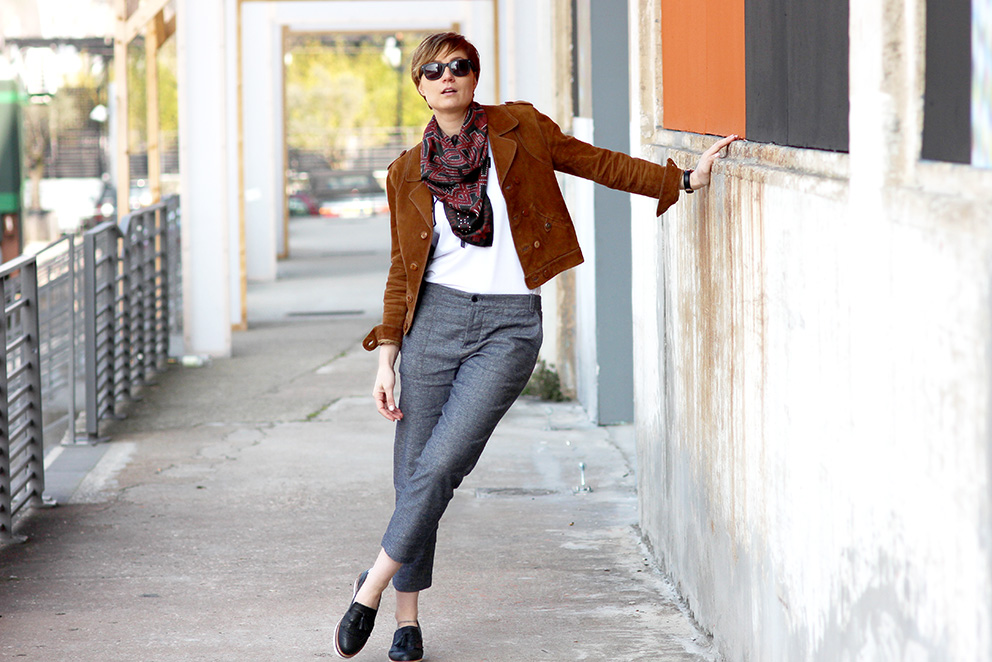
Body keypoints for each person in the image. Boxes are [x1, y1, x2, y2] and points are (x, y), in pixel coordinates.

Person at [334, 32, 738, 661]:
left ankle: (371, 588)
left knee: (443, 464)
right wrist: (387, 358)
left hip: (508, 326)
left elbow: (593, 161)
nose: (447, 76)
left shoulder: (519, 128)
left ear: (474, 76)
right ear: (420, 86)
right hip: (432, 324)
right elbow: (401, 270)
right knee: (413, 472)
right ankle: (406, 621)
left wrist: (681, 179)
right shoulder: (406, 172)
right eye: (433, 70)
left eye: (458, 66)